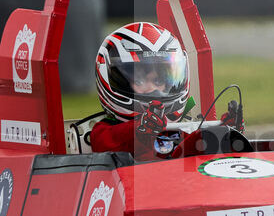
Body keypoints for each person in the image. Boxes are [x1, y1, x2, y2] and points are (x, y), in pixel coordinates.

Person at [90, 22, 241, 157]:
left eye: (158, 81)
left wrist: (224, 132)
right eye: (140, 80)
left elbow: (196, 148)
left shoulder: (182, 129)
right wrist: (140, 131)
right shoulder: (103, 132)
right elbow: (106, 143)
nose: (153, 89)